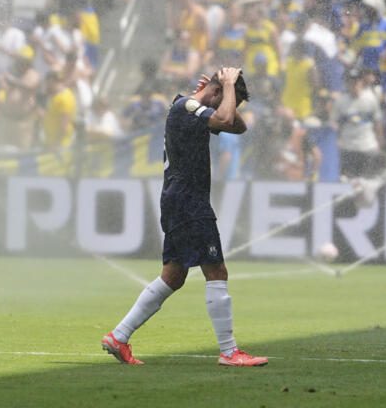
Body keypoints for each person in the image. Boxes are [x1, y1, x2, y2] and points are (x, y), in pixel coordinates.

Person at [102, 67, 266, 367]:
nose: (231, 106)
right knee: (217, 271)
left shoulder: (193, 108)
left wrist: (226, 90)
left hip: (179, 199)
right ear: (216, 91)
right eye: (228, 97)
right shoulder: (188, 107)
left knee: (173, 276)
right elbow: (226, 119)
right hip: (189, 201)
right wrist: (228, 84)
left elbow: (238, 126)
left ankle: (119, 336)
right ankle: (229, 352)